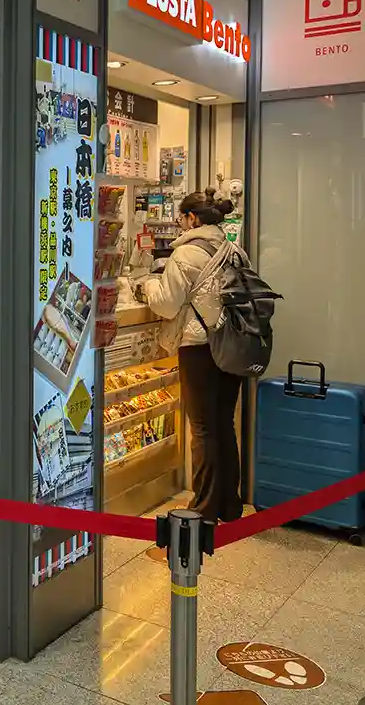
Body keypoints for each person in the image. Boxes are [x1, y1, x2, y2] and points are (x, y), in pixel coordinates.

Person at [138, 189, 244, 524]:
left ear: (191, 219)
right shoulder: (236, 251)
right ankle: (230, 504)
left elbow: (167, 303)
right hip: (233, 344)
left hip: (199, 347)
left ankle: (204, 508)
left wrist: (145, 286)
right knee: (224, 423)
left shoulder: (184, 254)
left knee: (202, 428)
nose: (179, 223)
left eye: (181, 218)